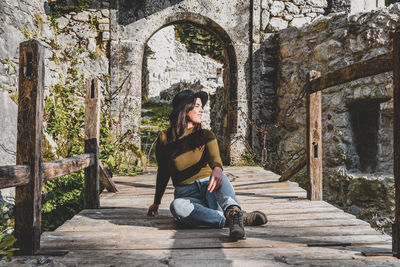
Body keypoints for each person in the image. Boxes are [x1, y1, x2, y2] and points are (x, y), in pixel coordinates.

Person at [147, 89, 267, 239]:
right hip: (186, 195)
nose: (201, 110)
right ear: (185, 108)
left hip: (210, 188)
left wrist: (217, 169)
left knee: (220, 176)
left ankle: (233, 211)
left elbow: (215, 160)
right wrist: (156, 202)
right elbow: (164, 171)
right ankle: (232, 220)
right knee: (176, 207)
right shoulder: (165, 138)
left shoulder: (206, 135)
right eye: (197, 106)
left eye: (201, 106)